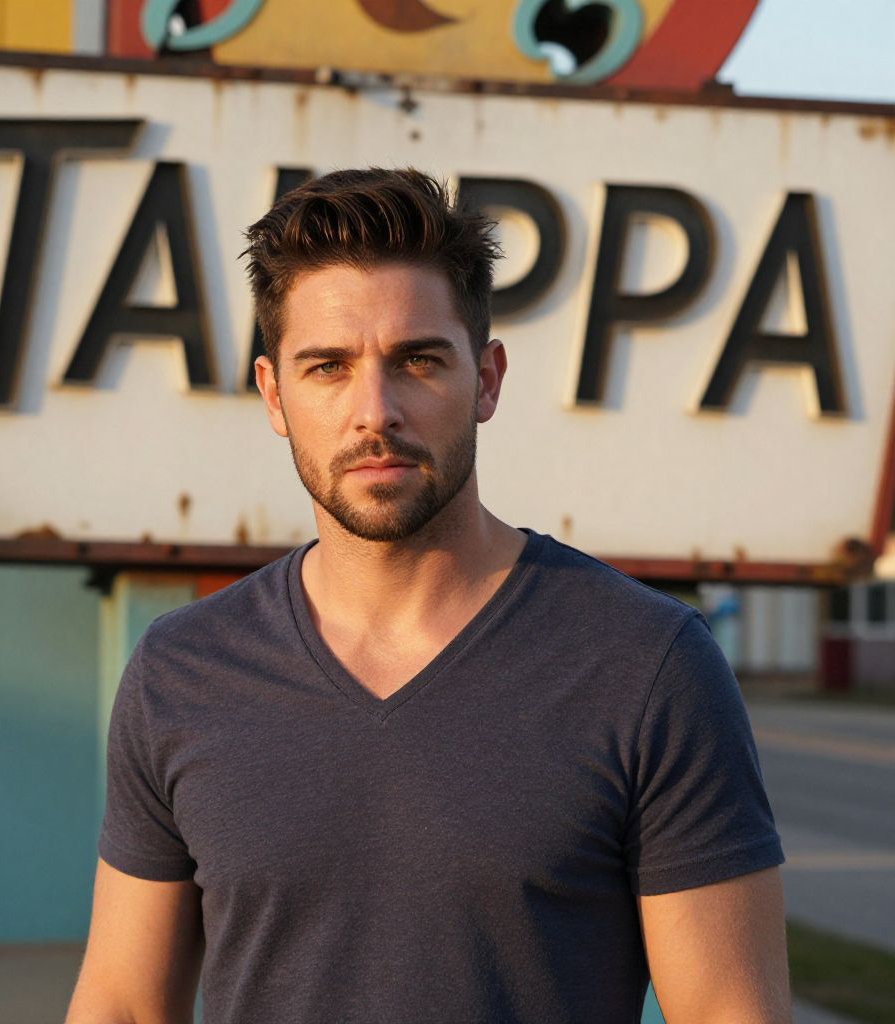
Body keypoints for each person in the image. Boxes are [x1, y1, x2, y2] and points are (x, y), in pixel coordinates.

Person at [65, 168, 790, 1024]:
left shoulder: (646, 665)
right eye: (328, 367)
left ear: (486, 379)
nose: (375, 411)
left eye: (417, 360)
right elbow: (121, 1004)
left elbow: (728, 1011)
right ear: (273, 394)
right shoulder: (182, 670)